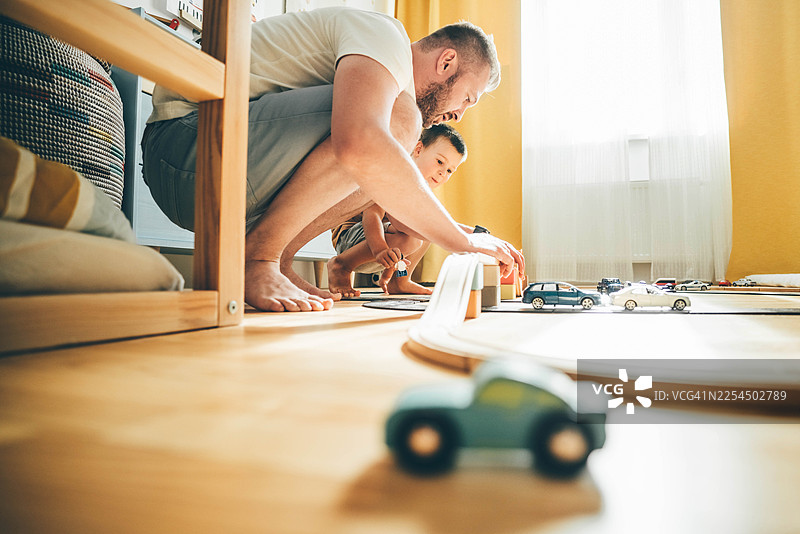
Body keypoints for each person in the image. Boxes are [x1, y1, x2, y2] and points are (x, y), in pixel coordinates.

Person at [141, 6, 524, 312]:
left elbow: (392, 194)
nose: (459, 115)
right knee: (392, 125)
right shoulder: (385, 35)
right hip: (184, 148)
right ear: (446, 63)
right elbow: (359, 142)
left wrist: (469, 237)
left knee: (388, 156)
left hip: (215, 168)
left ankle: (277, 257)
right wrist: (461, 242)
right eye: (467, 99)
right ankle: (257, 257)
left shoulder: (388, 75)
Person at [328, 123, 477, 297]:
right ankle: (341, 266)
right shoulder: (394, 175)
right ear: (419, 149)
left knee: (431, 225)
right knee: (412, 238)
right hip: (350, 241)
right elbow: (372, 214)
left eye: (450, 170)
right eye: (439, 162)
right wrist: (380, 250)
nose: (442, 172)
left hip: (381, 248)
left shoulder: (421, 190)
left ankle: (399, 281)